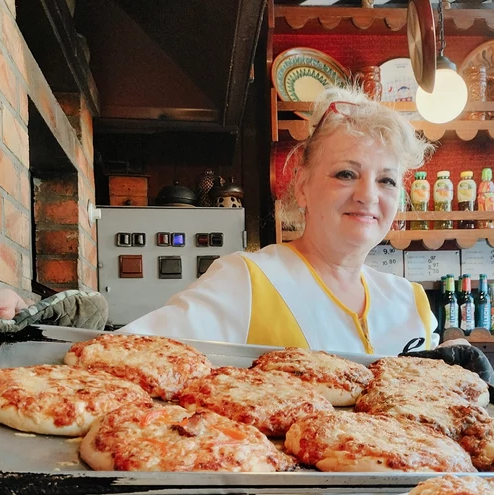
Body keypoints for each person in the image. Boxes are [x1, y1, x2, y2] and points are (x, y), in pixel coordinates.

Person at [121, 86, 463, 356]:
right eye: (346, 173)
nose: (369, 196)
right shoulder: (247, 281)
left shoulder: (411, 303)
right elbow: (126, 357)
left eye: (386, 180)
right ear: (302, 187)